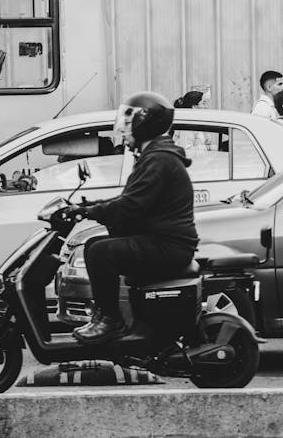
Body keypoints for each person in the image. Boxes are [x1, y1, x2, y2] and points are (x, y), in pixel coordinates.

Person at [70, 91, 199, 344]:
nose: (124, 131)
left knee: (100, 253)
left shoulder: (159, 160)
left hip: (169, 246)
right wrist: (88, 206)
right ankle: (108, 316)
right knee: (94, 245)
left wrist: (88, 212)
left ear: (145, 123)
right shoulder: (154, 156)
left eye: (128, 124)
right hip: (163, 241)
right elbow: (130, 198)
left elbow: (130, 206)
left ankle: (110, 321)